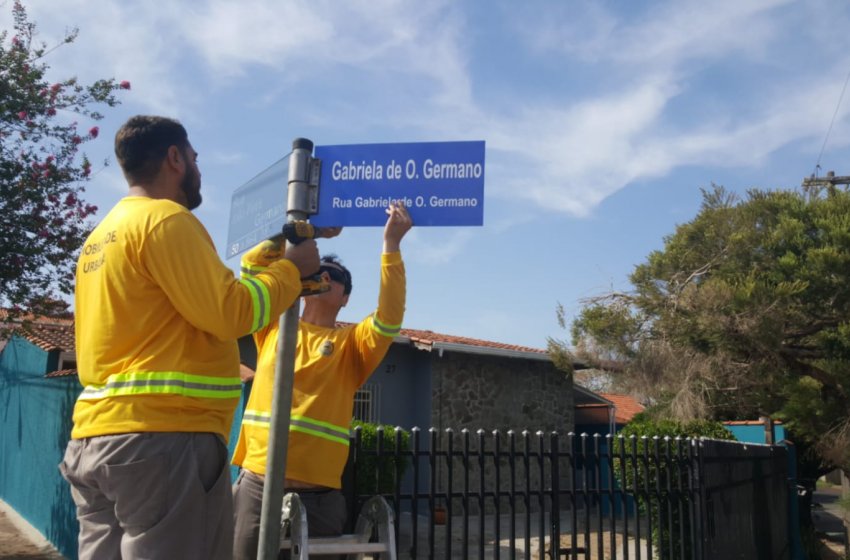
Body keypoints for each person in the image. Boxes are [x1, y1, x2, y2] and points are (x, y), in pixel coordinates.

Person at [60, 115, 321, 560]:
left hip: (93, 442)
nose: (200, 169)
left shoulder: (98, 239)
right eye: (196, 158)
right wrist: (292, 272)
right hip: (163, 442)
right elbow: (232, 312)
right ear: (175, 158)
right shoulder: (166, 220)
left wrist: (277, 251)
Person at [231, 202, 413, 560]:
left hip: (320, 499)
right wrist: (306, 233)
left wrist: (391, 245)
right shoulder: (275, 325)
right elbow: (252, 264)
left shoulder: (351, 346)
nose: (326, 276)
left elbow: (389, 318)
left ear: (345, 299)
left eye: (337, 277)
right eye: (321, 269)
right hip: (257, 486)